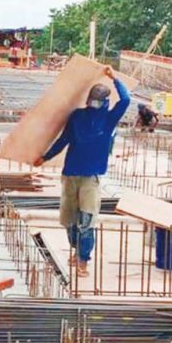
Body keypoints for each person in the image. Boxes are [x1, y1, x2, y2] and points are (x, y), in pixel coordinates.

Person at [34, 67, 130, 276]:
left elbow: (125, 100)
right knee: (70, 220)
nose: (93, 103)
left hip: (90, 178)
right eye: (92, 99)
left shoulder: (109, 119)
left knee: (86, 221)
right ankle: (76, 250)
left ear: (104, 102)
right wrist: (46, 156)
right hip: (70, 175)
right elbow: (64, 139)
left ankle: (83, 260)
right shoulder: (77, 116)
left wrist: (114, 79)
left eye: (97, 100)